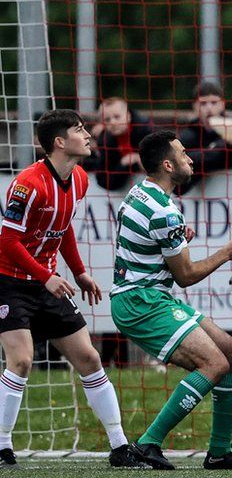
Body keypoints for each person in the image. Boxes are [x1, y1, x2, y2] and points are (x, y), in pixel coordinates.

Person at [0, 110, 144, 470]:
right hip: (10, 283)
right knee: (21, 360)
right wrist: (45, 276)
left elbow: (61, 230)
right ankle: (2, 446)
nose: (88, 134)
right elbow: (8, 240)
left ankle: (120, 447)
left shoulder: (79, 179)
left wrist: (79, 272)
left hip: (47, 283)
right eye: (79, 130)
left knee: (90, 359)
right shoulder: (26, 184)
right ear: (59, 143)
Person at [109, 130, 232, 470]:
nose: (190, 159)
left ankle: (220, 451)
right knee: (215, 364)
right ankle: (148, 443)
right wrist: (228, 252)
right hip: (141, 303)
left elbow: (147, 241)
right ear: (167, 164)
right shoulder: (165, 210)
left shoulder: (141, 192)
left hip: (147, 296)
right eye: (182, 154)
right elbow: (186, 276)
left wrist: (177, 237)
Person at [177, 81, 232, 185]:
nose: (209, 108)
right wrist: (224, 147)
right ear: (195, 106)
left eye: (214, 102)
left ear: (222, 104)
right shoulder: (187, 136)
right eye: (203, 103)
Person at [85, 97, 154, 191]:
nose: (113, 122)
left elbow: (157, 167)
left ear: (128, 116)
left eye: (117, 117)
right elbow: (103, 181)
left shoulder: (146, 131)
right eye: (107, 120)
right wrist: (123, 164)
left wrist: (138, 159)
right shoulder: (105, 140)